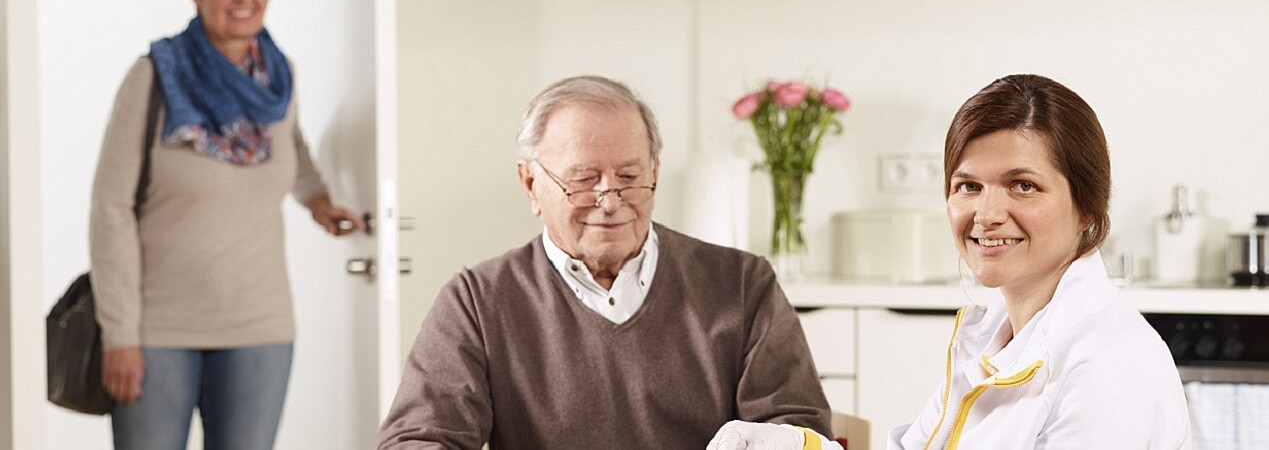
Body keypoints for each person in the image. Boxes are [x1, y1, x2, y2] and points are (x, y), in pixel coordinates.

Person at [708, 75, 1192, 449]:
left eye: (1022, 185)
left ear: (1088, 207)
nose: (986, 214)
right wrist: (800, 444)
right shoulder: (990, 337)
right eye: (968, 186)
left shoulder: (1108, 361)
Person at [376, 75, 832, 449]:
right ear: (531, 183)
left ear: (655, 168)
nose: (610, 200)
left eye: (630, 176)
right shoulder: (477, 301)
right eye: (584, 179)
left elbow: (800, 432)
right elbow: (419, 439)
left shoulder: (742, 284)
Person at [90, 0, 364, 448]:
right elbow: (110, 209)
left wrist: (319, 201)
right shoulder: (153, 76)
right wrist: (120, 335)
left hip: (259, 324)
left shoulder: (280, 78)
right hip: (157, 329)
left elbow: (292, 150)